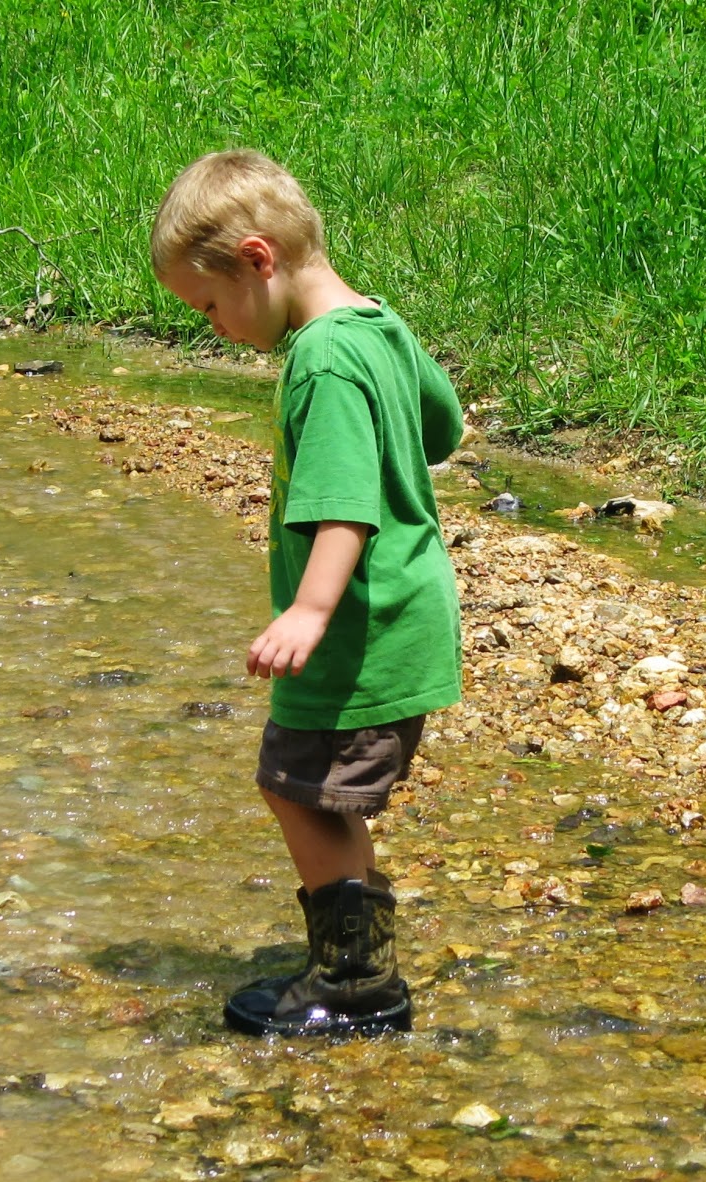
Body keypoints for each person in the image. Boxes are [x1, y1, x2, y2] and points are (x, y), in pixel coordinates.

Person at [150, 149, 463, 1037]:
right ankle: (356, 953)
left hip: (357, 626)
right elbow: (442, 427)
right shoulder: (377, 328)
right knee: (313, 785)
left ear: (258, 259)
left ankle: (359, 980)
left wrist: (309, 610)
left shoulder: (323, 361)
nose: (212, 328)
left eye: (208, 306)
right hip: (409, 616)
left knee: (300, 785)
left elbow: (345, 508)